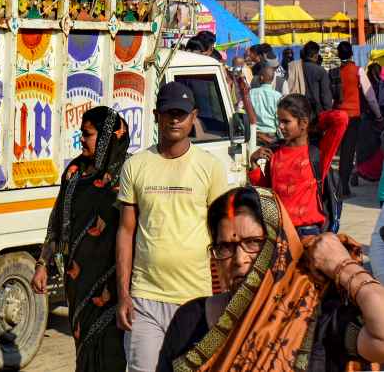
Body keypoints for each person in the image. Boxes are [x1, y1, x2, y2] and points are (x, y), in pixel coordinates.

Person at [156, 186, 384, 372]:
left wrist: (343, 266)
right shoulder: (190, 320)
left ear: (280, 246)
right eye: (225, 246)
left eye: (253, 243)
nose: (239, 259)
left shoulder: (315, 316)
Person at [115, 82, 229, 372]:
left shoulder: (210, 167)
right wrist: (124, 295)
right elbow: (126, 232)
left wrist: (226, 296)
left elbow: (223, 236)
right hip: (145, 299)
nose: (175, 120)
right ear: (156, 116)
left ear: (194, 116)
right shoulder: (136, 166)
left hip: (197, 298)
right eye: (168, 113)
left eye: (181, 113)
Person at [30, 107, 130, 372]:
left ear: (108, 137)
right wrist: (42, 264)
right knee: (84, 350)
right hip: (78, 283)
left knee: (113, 353)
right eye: (81, 134)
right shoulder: (74, 173)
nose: (82, 140)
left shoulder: (128, 173)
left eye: (88, 135)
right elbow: (57, 220)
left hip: (114, 283)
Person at [249, 94, 348, 236]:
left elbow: (341, 118)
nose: (280, 126)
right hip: (279, 232)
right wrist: (254, 164)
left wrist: (314, 122)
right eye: (279, 121)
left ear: (303, 123)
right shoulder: (275, 152)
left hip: (308, 233)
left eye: (286, 122)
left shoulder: (319, 153)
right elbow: (266, 194)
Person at [329, 41, 382, 198]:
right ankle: (343, 188)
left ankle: (335, 185)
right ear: (351, 53)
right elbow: (370, 96)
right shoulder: (358, 71)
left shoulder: (334, 72)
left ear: (339, 55)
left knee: (336, 152)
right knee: (348, 152)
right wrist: (378, 115)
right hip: (353, 117)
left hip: (338, 116)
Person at [356, 62, 384, 182]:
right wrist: (379, 116)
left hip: (367, 117)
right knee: (372, 147)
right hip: (371, 117)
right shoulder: (371, 84)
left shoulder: (376, 83)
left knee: (365, 147)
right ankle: (362, 171)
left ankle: (361, 172)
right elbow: (373, 100)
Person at [288, 41, 333, 114]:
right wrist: (328, 112)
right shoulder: (320, 71)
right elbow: (325, 95)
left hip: (299, 108)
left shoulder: (295, 67)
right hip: (316, 112)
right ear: (315, 55)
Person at [248, 65, 283, 145]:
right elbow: (278, 119)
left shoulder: (251, 93)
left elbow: (241, 111)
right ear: (273, 79)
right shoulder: (278, 96)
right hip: (272, 137)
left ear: (261, 78)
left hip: (255, 135)